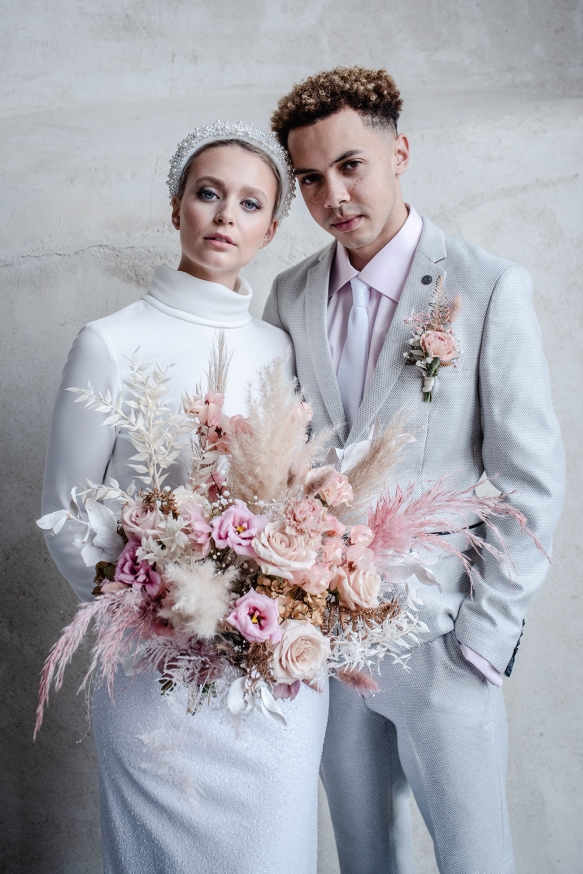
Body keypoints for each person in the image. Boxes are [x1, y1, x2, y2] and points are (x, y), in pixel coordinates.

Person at [264, 67, 565, 874]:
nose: (333, 196)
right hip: (325, 646)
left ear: (398, 153)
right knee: (364, 857)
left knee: (475, 860)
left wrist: (483, 638)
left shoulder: (487, 285)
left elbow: (530, 479)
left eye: (350, 165)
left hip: (441, 640)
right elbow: (283, 459)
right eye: (310, 179)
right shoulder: (288, 295)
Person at [41, 123, 328, 874]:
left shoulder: (277, 349)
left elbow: (291, 498)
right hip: (153, 674)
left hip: (270, 669)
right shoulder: (108, 341)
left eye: (250, 203)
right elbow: (64, 513)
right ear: (176, 208)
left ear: (271, 229)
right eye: (208, 194)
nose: (226, 215)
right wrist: (152, 613)